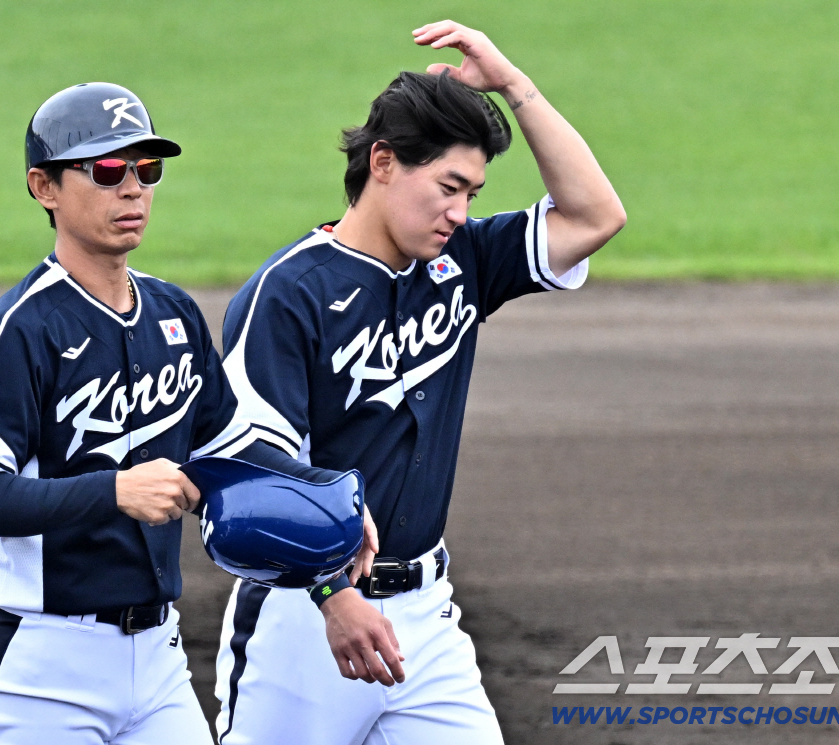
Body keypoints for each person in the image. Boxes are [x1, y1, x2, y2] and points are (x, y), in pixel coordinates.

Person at [204, 21, 626, 744]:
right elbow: (248, 470)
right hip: (306, 627)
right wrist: (334, 592)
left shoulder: (462, 258)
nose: (460, 213)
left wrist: (515, 88)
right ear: (384, 162)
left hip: (427, 619)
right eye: (448, 187)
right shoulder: (288, 294)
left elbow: (595, 215)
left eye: (473, 192)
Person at [0, 82, 351, 745]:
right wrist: (116, 490)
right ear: (44, 187)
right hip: (38, 672)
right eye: (105, 170)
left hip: (158, 664)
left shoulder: (173, 313)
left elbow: (233, 451)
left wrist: (330, 509)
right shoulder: (18, 331)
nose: (132, 189)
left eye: (145, 169)